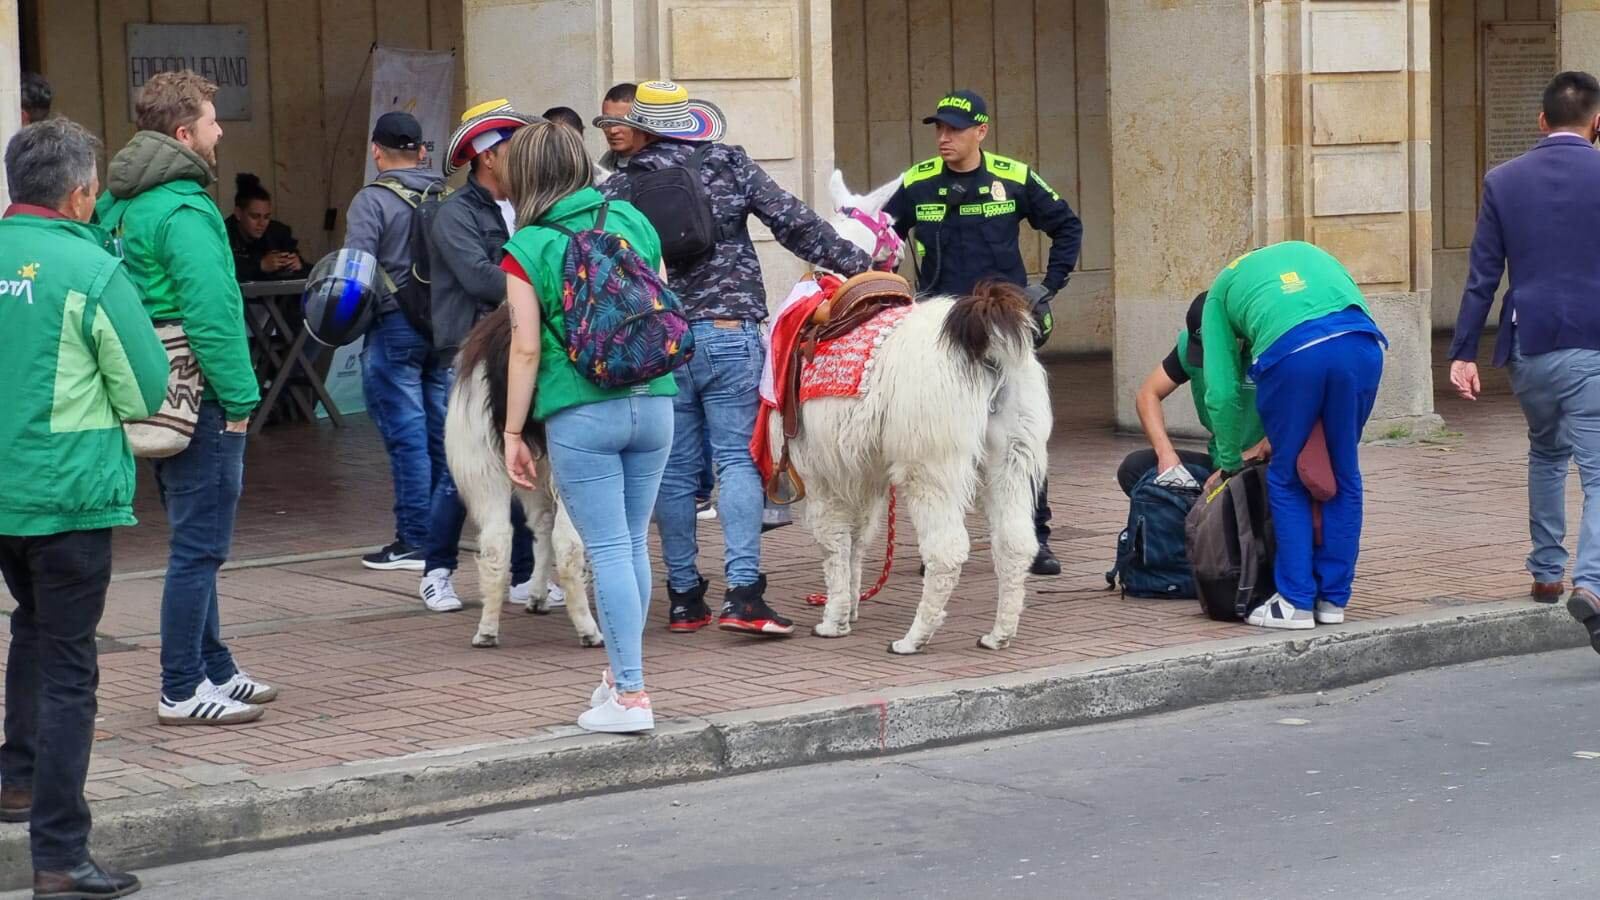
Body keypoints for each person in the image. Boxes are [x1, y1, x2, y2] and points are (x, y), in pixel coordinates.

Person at [598, 79, 873, 636]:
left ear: (644, 127)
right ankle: (743, 595)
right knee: (737, 461)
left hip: (663, 344)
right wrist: (859, 263)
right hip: (729, 334)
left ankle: (682, 598)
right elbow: (795, 224)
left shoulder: (620, 187)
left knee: (672, 472)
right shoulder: (726, 164)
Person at [0, 116, 167, 900]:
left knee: (29, 631)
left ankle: (17, 779)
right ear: (78, 194)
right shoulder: (90, 268)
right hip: (68, 494)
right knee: (71, 671)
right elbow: (145, 387)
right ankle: (61, 855)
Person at [97, 70, 274, 724]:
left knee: (190, 537)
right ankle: (180, 687)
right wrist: (241, 398)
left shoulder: (117, 205)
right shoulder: (185, 207)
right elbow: (213, 314)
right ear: (183, 132)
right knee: (200, 548)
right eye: (211, 119)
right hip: (199, 392)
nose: (219, 130)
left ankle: (216, 670)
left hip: (149, 387)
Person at [496, 122, 677, 732]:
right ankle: (620, 678)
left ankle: (631, 695)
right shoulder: (630, 218)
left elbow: (523, 349)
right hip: (654, 399)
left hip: (581, 409)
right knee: (631, 544)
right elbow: (659, 303)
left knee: (608, 550)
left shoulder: (527, 247)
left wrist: (512, 433)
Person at [880, 89, 1082, 576]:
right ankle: (942, 542)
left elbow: (1067, 227)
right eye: (938, 129)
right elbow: (879, 232)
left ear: (981, 132)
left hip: (1001, 329)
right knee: (940, 438)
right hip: (938, 332)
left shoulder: (1013, 178)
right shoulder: (918, 182)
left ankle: (1035, 536)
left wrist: (1046, 289)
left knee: (1019, 433)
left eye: (954, 129)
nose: (944, 138)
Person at [1448, 72, 1600, 648]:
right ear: (1597, 123)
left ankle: (1545, 572)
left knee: (1546, 450)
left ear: (1542, 120)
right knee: (1599, 466)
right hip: (1593, 340)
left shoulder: (1503, 180)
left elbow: (1482, 275)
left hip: (1529, 342)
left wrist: (1463, 352)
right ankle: (1591, 582)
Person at [1199, 241, 1386, 630]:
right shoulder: (1311, 251)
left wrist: (1231, 461)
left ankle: (1295, 602)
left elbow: (1221, 392)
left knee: (1285, 479)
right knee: (1343, 474)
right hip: (1362, 344)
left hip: (1293, 353)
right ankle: (1332, 601)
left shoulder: (1218, 292)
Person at [418, 99, 538, 613]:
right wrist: (541, 286)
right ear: (488, 157)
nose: (522, 157)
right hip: (469, 354)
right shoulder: (454, 213)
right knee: (463, 469)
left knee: (526, 458)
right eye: (513, 147)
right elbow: (477, 276)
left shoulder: (530, 206)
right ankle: (437, 570)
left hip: (517, 349)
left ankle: (526, 575)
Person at [344, 111, 450, 572]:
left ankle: (414, 540)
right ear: (421, 149)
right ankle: (442, 532)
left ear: (376, 149)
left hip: (394, 328)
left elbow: (357, 270)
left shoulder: (371, 201)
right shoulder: (444, 195)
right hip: (442, 329)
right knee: (439, 434)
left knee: (406, 437)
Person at [1118, 291, 1269, 495]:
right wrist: (1166, 454)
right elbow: (1148, 395)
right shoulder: (1189, 345)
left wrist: (1248, 458)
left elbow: (1304, 419)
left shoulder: (1268, 348)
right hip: (1221, 463)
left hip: (1264, 464)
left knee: (1245, 491)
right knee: (1134, 468)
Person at [225, 172, 305, 281]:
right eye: (254, 216)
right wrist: (260, 266)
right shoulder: (222, 235)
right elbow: (220, 271)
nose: (262, 223)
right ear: (238, 213)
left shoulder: (278, 233)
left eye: (266, 217)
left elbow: (309, 272)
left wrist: (298, 265)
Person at [595, 82, 647, 171]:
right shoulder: (603, 165)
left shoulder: (660, 165)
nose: (612, 130)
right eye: (607, 122)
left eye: (621, 122)